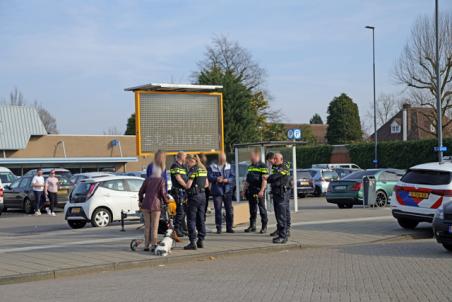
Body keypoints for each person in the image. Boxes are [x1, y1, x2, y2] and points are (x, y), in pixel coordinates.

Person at [138, 165, 168, 252]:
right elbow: (163, 193)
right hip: (156, 206)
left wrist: (141, 200)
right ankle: (153, 245)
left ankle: (146, 246)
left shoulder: (147, 180)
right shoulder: (161, 180)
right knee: (154, 226)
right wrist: (166, 201)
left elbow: (140, 192)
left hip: (145, 205)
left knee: (147, 226)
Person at [184, 154, 208, 250]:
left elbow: (188, 185)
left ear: (191, 160)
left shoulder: (193, 170)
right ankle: (201, 240)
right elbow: (206, 184)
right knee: (200, 218)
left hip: (194, 197)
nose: (187, 164)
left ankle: (192, 242)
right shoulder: (203, 169)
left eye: (187, 162)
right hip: (203, 196)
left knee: (191, 219)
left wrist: (185, 187)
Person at [266, 152, 291, 244]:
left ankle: (283, 236)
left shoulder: (284, 166)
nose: (274, 160)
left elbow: (274, 177)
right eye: (274, 158)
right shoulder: (275, 167)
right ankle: (281, 232)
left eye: (276, 159)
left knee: (282, 215)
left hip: (282, 193)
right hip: (277, 192)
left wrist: (268, 178)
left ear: (281, 159)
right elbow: (273, 178)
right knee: (279, 214)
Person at [208, 153, 235, 234]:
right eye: (221, 159)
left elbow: (233, 177)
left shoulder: (229, 166)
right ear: (219, 159)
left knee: (229, 210)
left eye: (224, 159)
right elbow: (209, 177)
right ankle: (219, 228)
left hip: (227, 190)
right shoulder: (212, 166)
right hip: (217, 191)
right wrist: (216, 179)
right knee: (218, 210)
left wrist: (227, 180)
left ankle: (229, 228)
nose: (223, 160)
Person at [243, 149, 268, 234]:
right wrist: (244, 190)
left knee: (262, 209)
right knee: (252, 209)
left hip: (259, 190)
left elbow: (265, 180)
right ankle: (252, 226)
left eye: (252, 157)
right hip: (251, 190)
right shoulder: (250, 167)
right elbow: (247, 180)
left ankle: (264, 227)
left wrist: (262, 191)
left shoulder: (263, 166)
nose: (251, 158)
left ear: (257, 156)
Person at [170, 151, 188, 237]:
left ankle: (181, 229)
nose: (186, 158)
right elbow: (178, 178)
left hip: (183, 191)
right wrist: (186, 186)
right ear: (180, 157)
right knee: (180, 211)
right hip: (178, 191)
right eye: (185, 156)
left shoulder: (183, 166)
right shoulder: (175, 166)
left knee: (183, 212)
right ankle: (176, 230)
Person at [200, 154, 211, 222]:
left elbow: (209, 178)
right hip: (202, 188)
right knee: (202, 207)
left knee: (204, 206)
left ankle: (203, 221)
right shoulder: (199, 167)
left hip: (206, 188)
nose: (204, 159)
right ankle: (202, 221)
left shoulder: (207, 167)